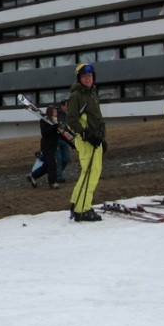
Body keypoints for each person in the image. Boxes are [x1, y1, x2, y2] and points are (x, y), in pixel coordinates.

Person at [66, 64, 105, 222]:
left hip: (95, 140)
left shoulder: (92, 94)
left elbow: (97, 119)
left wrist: (102, 139)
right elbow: (71, 120)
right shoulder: (77, 95)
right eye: (84, 77)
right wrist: (86, 134)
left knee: (87, 173)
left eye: (90, 76)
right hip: (87, 141)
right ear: (79, 79)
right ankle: (83, 209)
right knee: (91, 174)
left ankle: (76, 204)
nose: (88, 79)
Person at [27, 105, 61, 190]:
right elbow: (45, 133)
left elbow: (57, 134)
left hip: (53, 146)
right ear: (49, 112)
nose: (56, 113)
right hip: (47, 146)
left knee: (47, 166)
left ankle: (33, 176)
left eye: (56, 112)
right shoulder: (44, 121)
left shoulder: (56, 122)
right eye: (54, 112)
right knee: (52, 164)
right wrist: (54, 126)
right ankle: (53, 183)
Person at [55, 99, 72, 182]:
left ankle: (57, 173)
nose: (68, 107)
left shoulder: (66, 115)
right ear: (62, 105)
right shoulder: (57, 114)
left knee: (66, 158)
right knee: (59, 159)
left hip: (64, 139)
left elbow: (66, 127)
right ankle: (58, 176)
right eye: (66, 105)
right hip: (57, 139)